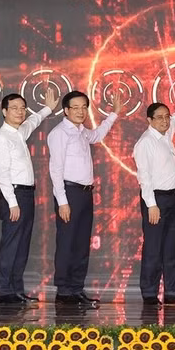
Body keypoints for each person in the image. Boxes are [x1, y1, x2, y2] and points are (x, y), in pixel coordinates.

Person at [48, 90, 122, 305]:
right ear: (66, 110)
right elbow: (55, 169)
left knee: (81, 244)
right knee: (67, 242)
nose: (81, 111)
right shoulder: (59, 133)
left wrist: (114, 114)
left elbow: (97, 135)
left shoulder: (81, 131)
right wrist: (62, 201)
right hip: (69, 193)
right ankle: (64, 290)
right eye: (76, 107)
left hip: (85, 194)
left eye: (84, 107)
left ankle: (76, 287)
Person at [0, 88, 57, 305]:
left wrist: (48, 108)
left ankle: (17, 290)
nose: (20, 112)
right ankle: (5, 291)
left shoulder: (20, 132)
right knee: (11, 244)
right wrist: (12, 203)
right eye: (14, 108)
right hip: (15, 195)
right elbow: (2, 175)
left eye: (22, 108)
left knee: (22, 245)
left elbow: (34, 120)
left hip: (27, 195)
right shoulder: (2, 138)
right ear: (4, 111)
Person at [133, 87, 175, 306]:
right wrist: (151, 205)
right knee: (153, 247)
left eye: (166, 117)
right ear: (149, 120)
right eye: (159, 117)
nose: (164, 121)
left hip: (174, 199)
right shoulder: (145, 143)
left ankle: (173, 292)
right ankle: (149, 293)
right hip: (156, 201)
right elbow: (144, 178)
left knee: (172, 246)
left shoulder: (166, 134)